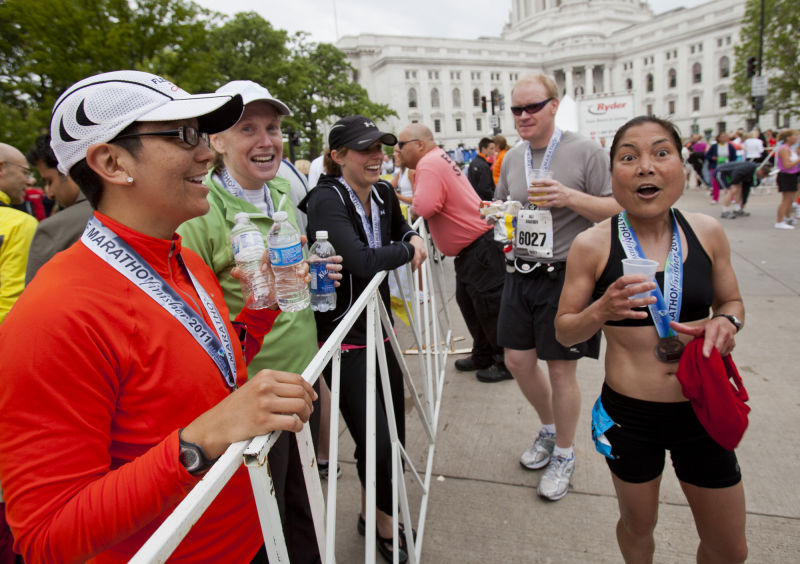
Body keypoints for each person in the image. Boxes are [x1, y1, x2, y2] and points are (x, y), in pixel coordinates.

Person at [0, 70, 317, 563]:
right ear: (112, 162)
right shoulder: (52, 314)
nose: (207, 153)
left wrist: (261, 311)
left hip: (253, 536)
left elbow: (204, 373)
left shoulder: (182, 257)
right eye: (185, 135)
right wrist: (200, 441)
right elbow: (47, 538)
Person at [555, 115, 747, 564]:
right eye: (629, 157)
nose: (646, 166)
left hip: (703, 406)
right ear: (613, 175)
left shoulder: (707, 231)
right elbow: (564, 331)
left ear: (681, 165)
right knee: (638, 525)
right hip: (630, 416)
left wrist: (727, 323)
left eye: (661, 153)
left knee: (730, 549)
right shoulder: (592, 244)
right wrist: (601, 310)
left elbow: (732, 301)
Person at [176, 80, 342, 563]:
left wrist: (312, 269)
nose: (266, 141)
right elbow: (192, 315)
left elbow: (284, 276)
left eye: (272, 128)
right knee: (266, 527)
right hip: (252, 399)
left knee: (304, 509)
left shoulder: (282, 190)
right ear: (217, 141)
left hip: (302, 378)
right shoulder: (201, 210)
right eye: (247, 129)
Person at [300, 115, 426, 564]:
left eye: (380, 147)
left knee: (392, 434)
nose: (376, 156)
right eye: (364, 149)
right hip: (344, 338)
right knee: (377, 441)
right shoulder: (326, 199)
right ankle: (384, 526)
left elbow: (399, 228)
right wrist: (410, 248)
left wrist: (409, 235)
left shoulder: (385, 193)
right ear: (338, 156)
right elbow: (360, 260)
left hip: (381, 330)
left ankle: (371, 512)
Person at [494, 73, 620, 501]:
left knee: (561, 370)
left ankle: (564, 453)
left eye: (532, 107)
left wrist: (569, 197)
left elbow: (616, 208)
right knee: (517, 361)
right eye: (516, 109)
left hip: (566, 275)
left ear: (554, 105)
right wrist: (495, 214)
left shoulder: (585, 151)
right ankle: (550, 430)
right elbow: (505, 204)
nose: (523, 116)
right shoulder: (513, 157)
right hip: (520, 271)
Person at [399, 124, 511, 383]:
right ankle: (484, 354)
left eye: (402, 145)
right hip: (474, 248)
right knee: (470, 302)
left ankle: (505, 361)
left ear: (419, 144)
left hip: (478, 248)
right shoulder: (436, 158)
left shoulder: (428, 163)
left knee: (487, 307)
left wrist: (413, 207)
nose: (398, 150)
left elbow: (426, 206)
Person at [24, 133, 94, 283]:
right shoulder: (134, 212)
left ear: (67, 170)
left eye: (49, 181)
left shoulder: (52, 229)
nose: (49, 193)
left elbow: (35, 293)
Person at [0, 143, 38, 322]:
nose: (30, 181)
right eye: (25, 172)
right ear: (1, 169)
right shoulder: (19, 224)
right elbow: (13, 303)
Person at [774, 129, 800, 230]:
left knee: (790, 199)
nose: (797, 137)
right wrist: (798, 160)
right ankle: (779, 221)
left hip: (792, 175)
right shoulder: (784, 149)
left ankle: (787, 217)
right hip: (786, 176)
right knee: (785, 200)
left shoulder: (789, 148)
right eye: (795, 135)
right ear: (788, 138)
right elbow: (787, 165)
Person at [707, 132, 737, 215]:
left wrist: (731, 163)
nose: (724, 138)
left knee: (729, 182)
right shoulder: (714, 146)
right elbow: (708, 155)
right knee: (715, 183)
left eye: (725, 136)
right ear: (718, 138)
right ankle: (715, 198)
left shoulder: (730, 146)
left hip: (728, 166)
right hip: (716, 166)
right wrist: (713, 158)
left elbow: (734, 156)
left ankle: (731, 197)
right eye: (722, 136)